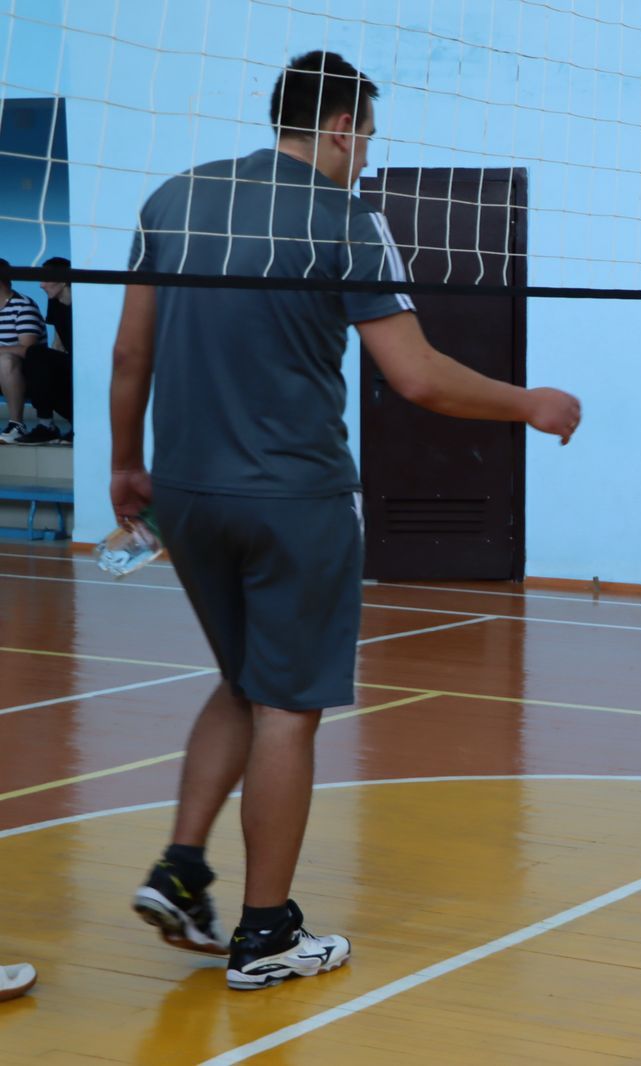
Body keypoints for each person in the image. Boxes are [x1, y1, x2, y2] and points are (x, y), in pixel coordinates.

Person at [112, 51, 581, 990]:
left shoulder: (174, 197)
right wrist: (528, 401)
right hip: (295, 501)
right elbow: (417, 377)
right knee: (289, 707)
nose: (366, 151)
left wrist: (127, 467)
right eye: (364, 134)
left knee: (244, 682)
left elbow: (131, 352)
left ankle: (183, 865)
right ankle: (266, 934)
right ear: (339, 129)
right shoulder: (347, 219)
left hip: (188, 496)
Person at [15, 255, 73, 445]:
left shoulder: (83, 303)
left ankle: (77, 425)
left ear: (64, 281)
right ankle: (46, 425)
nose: (41, 285)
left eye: (46, 279)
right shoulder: (55, 301)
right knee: (36, 358)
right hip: (70, 365)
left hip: (88, 366)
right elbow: (58, 342)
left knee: (34, 353)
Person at [0, 258, 46, 444]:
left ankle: (17, 425)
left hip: (28, 371)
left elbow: (28, 349)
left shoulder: (23, 305)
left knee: (6, 360)